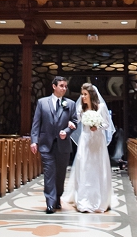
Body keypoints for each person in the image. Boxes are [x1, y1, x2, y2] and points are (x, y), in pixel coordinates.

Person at [30, 76, 79, 214]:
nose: (64, 88)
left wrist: (68, 130)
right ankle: (50, 203)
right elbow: (36, 123)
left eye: (65, 86)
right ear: (54, 86)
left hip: (63, 145)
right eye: (61, 86)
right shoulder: (42, 103)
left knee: (60, 174)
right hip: (46, 145)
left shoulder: (70, 104)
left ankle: (57, 197)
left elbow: (75, 122)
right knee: (49, 173)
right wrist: (34, 141)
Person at [62, 83, 113, 212]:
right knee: (84, 167)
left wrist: (98, 126)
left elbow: (107, 124)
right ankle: (83, 198)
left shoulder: (100, 107)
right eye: (82, 94)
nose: (83, 97)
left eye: (85, 94)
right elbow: (76, 121)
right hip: (85, 140)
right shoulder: (81, 109)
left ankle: (98, 198)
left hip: (97, 141)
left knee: (97, 167)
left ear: (91, 95)